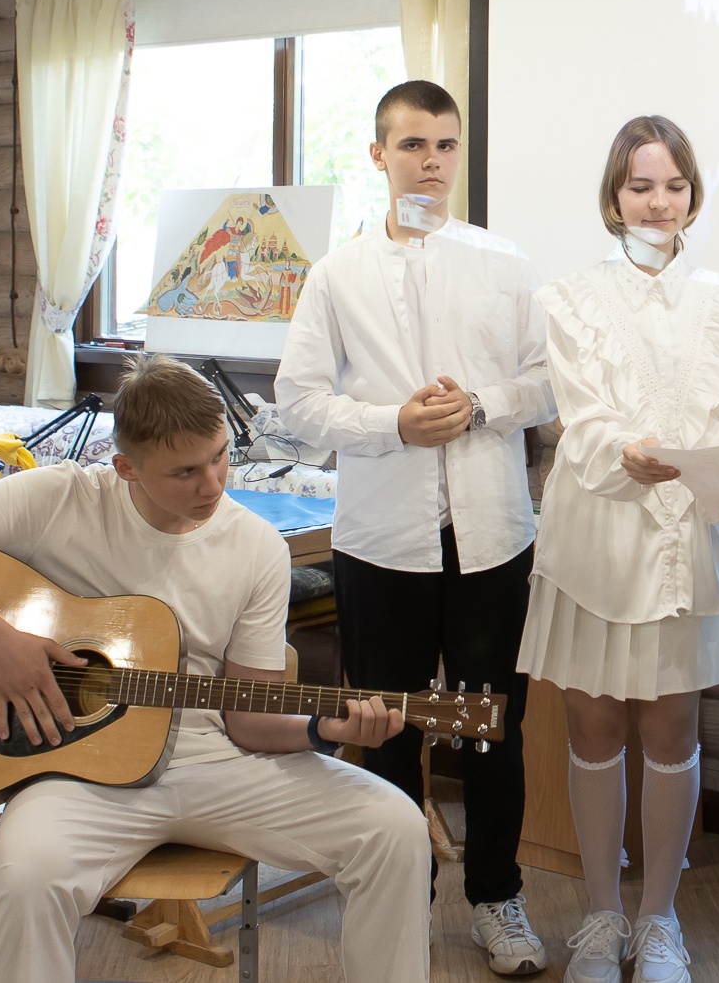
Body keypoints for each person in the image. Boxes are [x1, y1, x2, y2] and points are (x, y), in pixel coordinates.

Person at [0, 356, 427, 983]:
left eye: (219, 457)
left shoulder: (256, 546)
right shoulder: (60, 497)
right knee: (23, 879)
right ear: (125, 467)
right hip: (80, 775)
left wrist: (325, 730)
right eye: (184, 471)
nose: (212, 485)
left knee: (395, 827)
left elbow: (249, 720)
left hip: (217, 761)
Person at [276, 79, 556, 975]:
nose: (431, 161)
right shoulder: (337, 273)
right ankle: (400, 900)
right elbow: (297, 401)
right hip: (379, 540)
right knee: (383, 724)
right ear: (378, 154)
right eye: (412, 145)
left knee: (490, 727)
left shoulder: (506, 263)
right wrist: (391, 423)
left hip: (491, 536)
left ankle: (498, 898)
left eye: (444, 145)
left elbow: (549, 381)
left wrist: (480, 406)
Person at [518, 115, 719, 983]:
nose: (659, 202)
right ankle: (599, 915)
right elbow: (579, 418)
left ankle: (659, 919)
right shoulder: (568, 297)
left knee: (672, 725)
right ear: (614, 196)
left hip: (681, 535)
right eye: (641, 185)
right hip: (595, 533)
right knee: (592, 724)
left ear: (693, 193)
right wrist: (628, 453)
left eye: (674, 185)